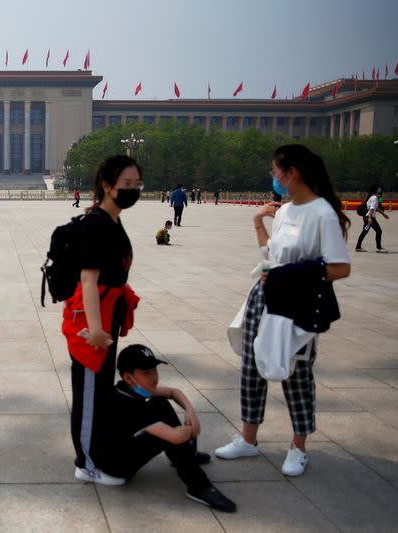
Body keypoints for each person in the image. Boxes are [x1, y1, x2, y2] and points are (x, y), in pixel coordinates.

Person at [215, 144, 351, 477]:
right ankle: (249, 439)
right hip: (265, 297)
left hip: (298, 302)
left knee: (297, 374)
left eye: (276, 171)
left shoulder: (322, 213)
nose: (273, 177)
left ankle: (299, 446)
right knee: (252, 368)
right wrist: (258, 221)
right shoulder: (287, 211)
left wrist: (294, 273)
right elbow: (271, 256)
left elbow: (340, 267)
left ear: (293, 173)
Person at [63, 154, 141, 486]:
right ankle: (87, 463)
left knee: (99, 391)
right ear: (106, 186)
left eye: (137, 184)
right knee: (90, 392)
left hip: (108, 315)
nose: (133, 189)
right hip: (95, 322)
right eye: (126, 184)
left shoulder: (111, 219)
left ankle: (97, 450)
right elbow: (89, 279)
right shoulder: (96, 224)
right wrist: (95, 331)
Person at [102, 345, 236, 512]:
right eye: (146, 373)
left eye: (154, 371)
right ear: (129, 378)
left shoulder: (128, 388)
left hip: (120, 449)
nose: (154, 378)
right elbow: (175, 437)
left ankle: (182, 456)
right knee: (168, 428)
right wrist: (190, 428)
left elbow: (173, 392)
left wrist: (190, 411)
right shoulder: (126, 404)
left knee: (160, 403)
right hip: (117, 467)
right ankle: (198, 486)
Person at [355, 184, 389, 252]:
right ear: (377, 193)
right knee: (377, 231)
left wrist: (383, 214)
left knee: (365, 232)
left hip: (369, 218)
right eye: (380, 195)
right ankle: (378, 248)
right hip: (369, 219)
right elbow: (371, 209)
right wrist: (370, 218)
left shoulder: (374, 198)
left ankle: (358, 247)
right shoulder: (374, 198)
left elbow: (376, 209)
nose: (381, 198)